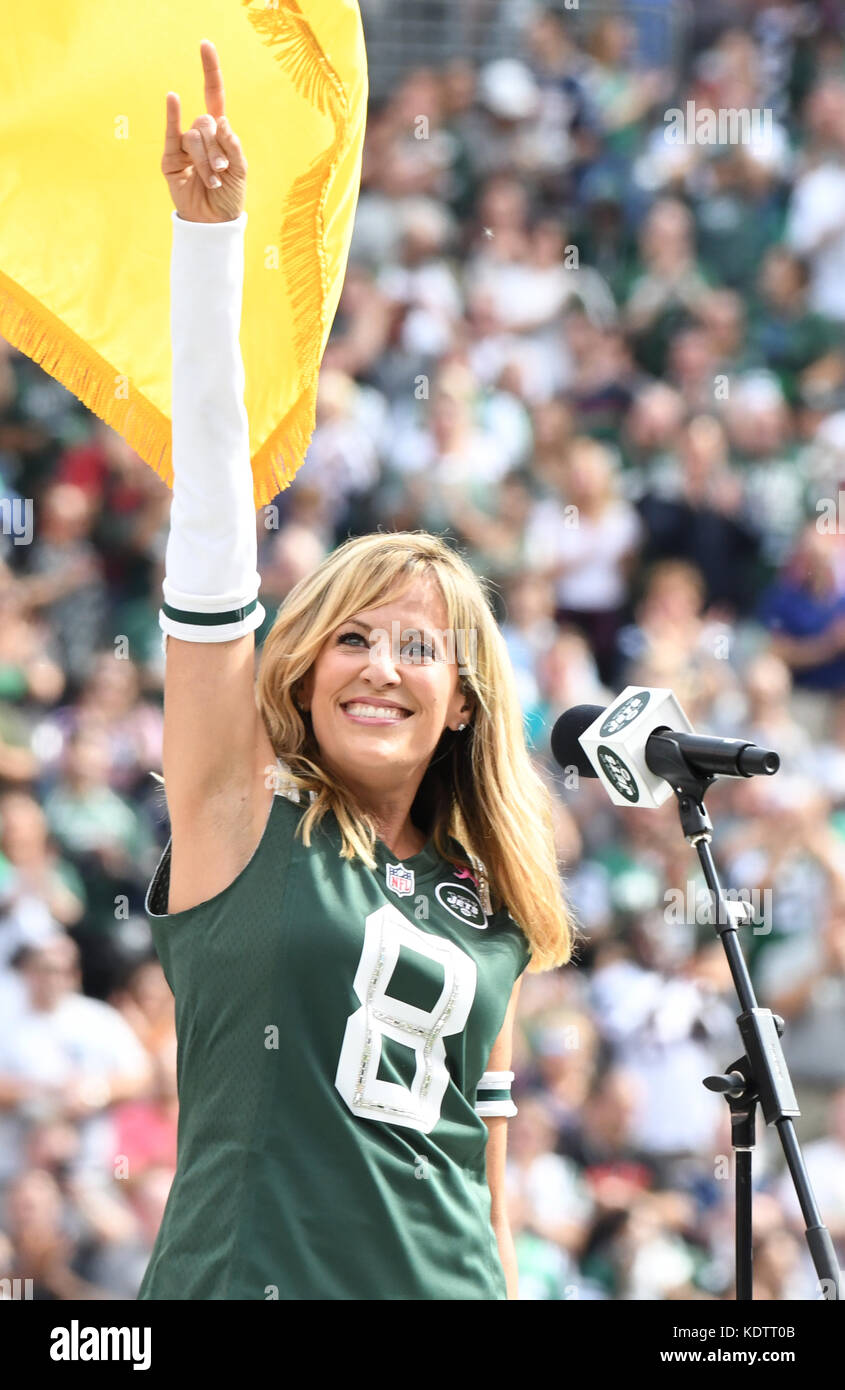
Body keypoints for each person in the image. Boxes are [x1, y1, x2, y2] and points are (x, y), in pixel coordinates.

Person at [137, 41, 574, 1302]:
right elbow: (215, 523)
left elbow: (479, 1192)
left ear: (461, 704)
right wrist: (209, 246)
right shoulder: (235, 815)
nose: (381, 666)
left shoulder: (495, 901)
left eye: (418, 647)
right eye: (351, 635)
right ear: (302, 669)